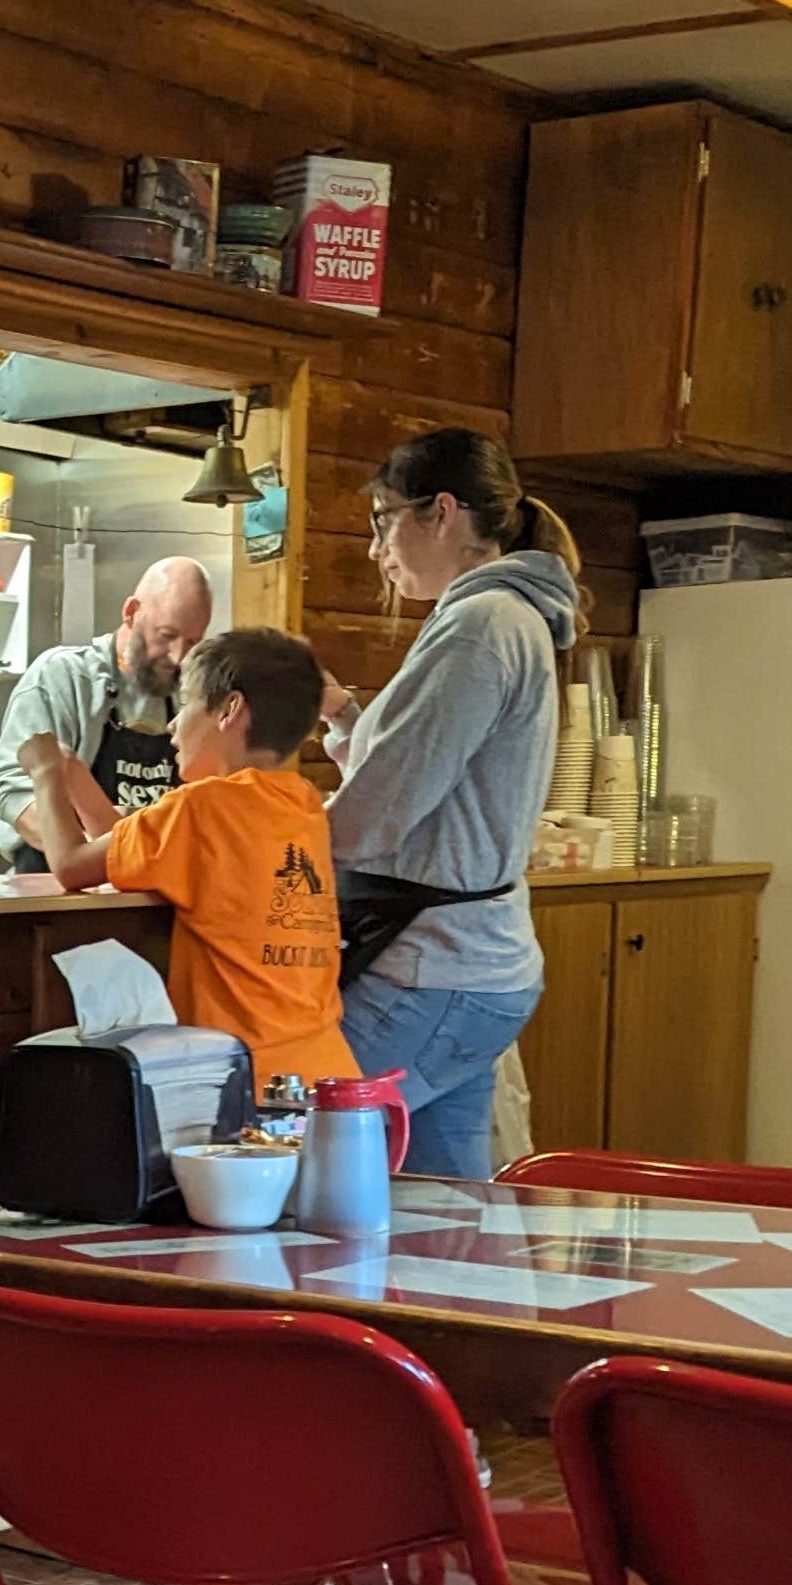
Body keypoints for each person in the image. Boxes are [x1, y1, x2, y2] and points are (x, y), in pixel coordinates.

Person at [320, 430, 580, 1179]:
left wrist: (260, 839)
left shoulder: (480, 625)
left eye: (381, 518)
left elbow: (376, 817)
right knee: (448, 1221)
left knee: (274, 1147)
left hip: (434, 970)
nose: (375, 548)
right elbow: (430, 783)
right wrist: (346, 720)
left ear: (440, 513)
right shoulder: (503, 617)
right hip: (477, 968)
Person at [18, 623, 353, 1082]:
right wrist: (73, 771)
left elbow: (73, 867)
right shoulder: (302, 804)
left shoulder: (201, 807)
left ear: (229, 709)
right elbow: (126, 843)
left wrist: (44, 775)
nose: (173, 724)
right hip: (325, 1072)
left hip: (243, 1084)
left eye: (188, 702)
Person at [0, 552, 213, 859]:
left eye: (191, 642)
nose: (177, 656)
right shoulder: (63, 677)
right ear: (131, 612)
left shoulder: (190, 693)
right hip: (56, 884)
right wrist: (90, 850)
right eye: (167, 635)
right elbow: (14, 790)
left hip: (151, 879)